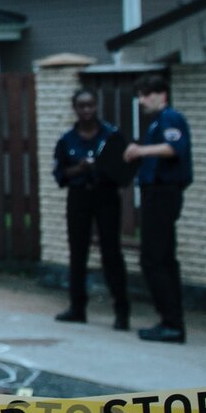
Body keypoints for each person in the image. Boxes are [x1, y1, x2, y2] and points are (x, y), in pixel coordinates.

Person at [52, 88, 132, 331]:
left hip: (106, 195)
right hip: (78, 196)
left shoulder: (111, 136)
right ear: (75, 109)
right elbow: (60, 174)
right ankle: (77, 307)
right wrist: (80, 169)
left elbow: (124, 171)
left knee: (111, 252)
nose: (86, 110)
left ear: (96, 106)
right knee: (78, 251)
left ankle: (122, 311)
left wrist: (101, 168)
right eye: (81, 106)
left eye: (90, 105)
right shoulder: (67, 140)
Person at [123, 73, 192, 343]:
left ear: (161, 94)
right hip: (157, 193)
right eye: (140, 96)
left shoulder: (170, 118)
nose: (141, 101)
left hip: (163, 193)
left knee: (154, 258)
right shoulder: (157, 123)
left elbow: (175, 148)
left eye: (146, 95)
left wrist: (142, 151)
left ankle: (171, 322)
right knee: (163, 258)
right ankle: (171, 320)